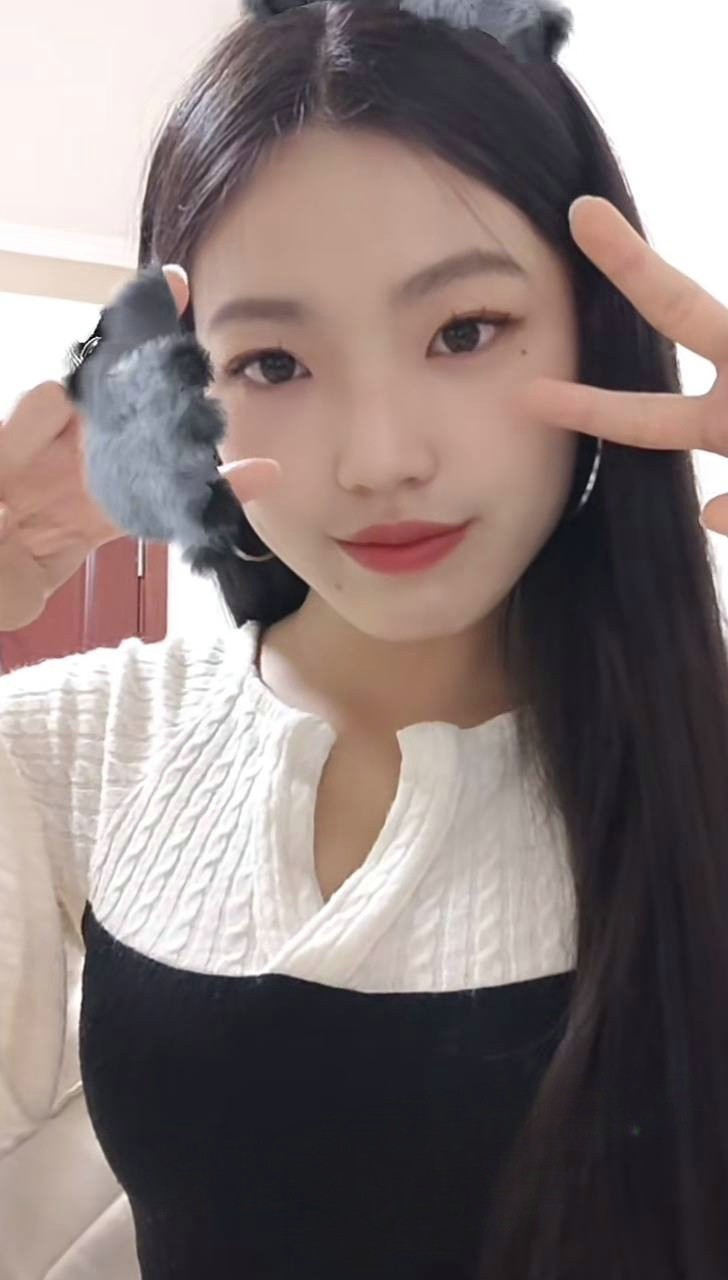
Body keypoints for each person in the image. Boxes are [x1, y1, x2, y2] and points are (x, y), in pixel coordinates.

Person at [1, 0, 728, 1276]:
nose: (379, 458)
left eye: (462, 331)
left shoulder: (703, 752)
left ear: (595, 324)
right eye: (273, 362)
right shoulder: (95, 741)